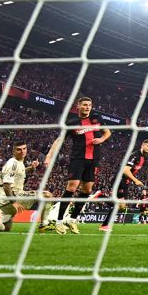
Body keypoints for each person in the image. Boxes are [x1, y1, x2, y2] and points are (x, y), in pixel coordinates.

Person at [45, 96, 110, 234]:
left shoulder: (96, 119)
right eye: (85, 105)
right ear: (78, 106)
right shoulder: (72, 122)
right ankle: (59, 221)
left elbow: (107, 132)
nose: (87, 107)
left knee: (87, 190)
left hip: (93, 160)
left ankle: (72, 220)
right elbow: (59, 140)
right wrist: (49, 156)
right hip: (78, 158)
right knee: (72, 187)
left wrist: (102, 139)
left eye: (89, 105)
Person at [0, 143, 54, 233]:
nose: (22, 151)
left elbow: (19, 173)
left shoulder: (17, 163)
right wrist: (14, 202)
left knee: (5, 227)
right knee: (47, 195)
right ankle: (44, 224)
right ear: (13, 151)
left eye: (24, 148)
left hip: (4, 202)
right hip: (13, 197)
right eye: (19, 149)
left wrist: (31, 168)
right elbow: (6, 185)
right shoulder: (13, 164)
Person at [100, 139, 148, 231]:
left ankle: (100, 197)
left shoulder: (142, 157)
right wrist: (136, 180)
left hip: (125, 181)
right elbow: (125, 170)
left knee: (121, 206)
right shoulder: (135, 155)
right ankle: (104, 225)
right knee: (119, 205)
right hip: (120, 180)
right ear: (143, 145)